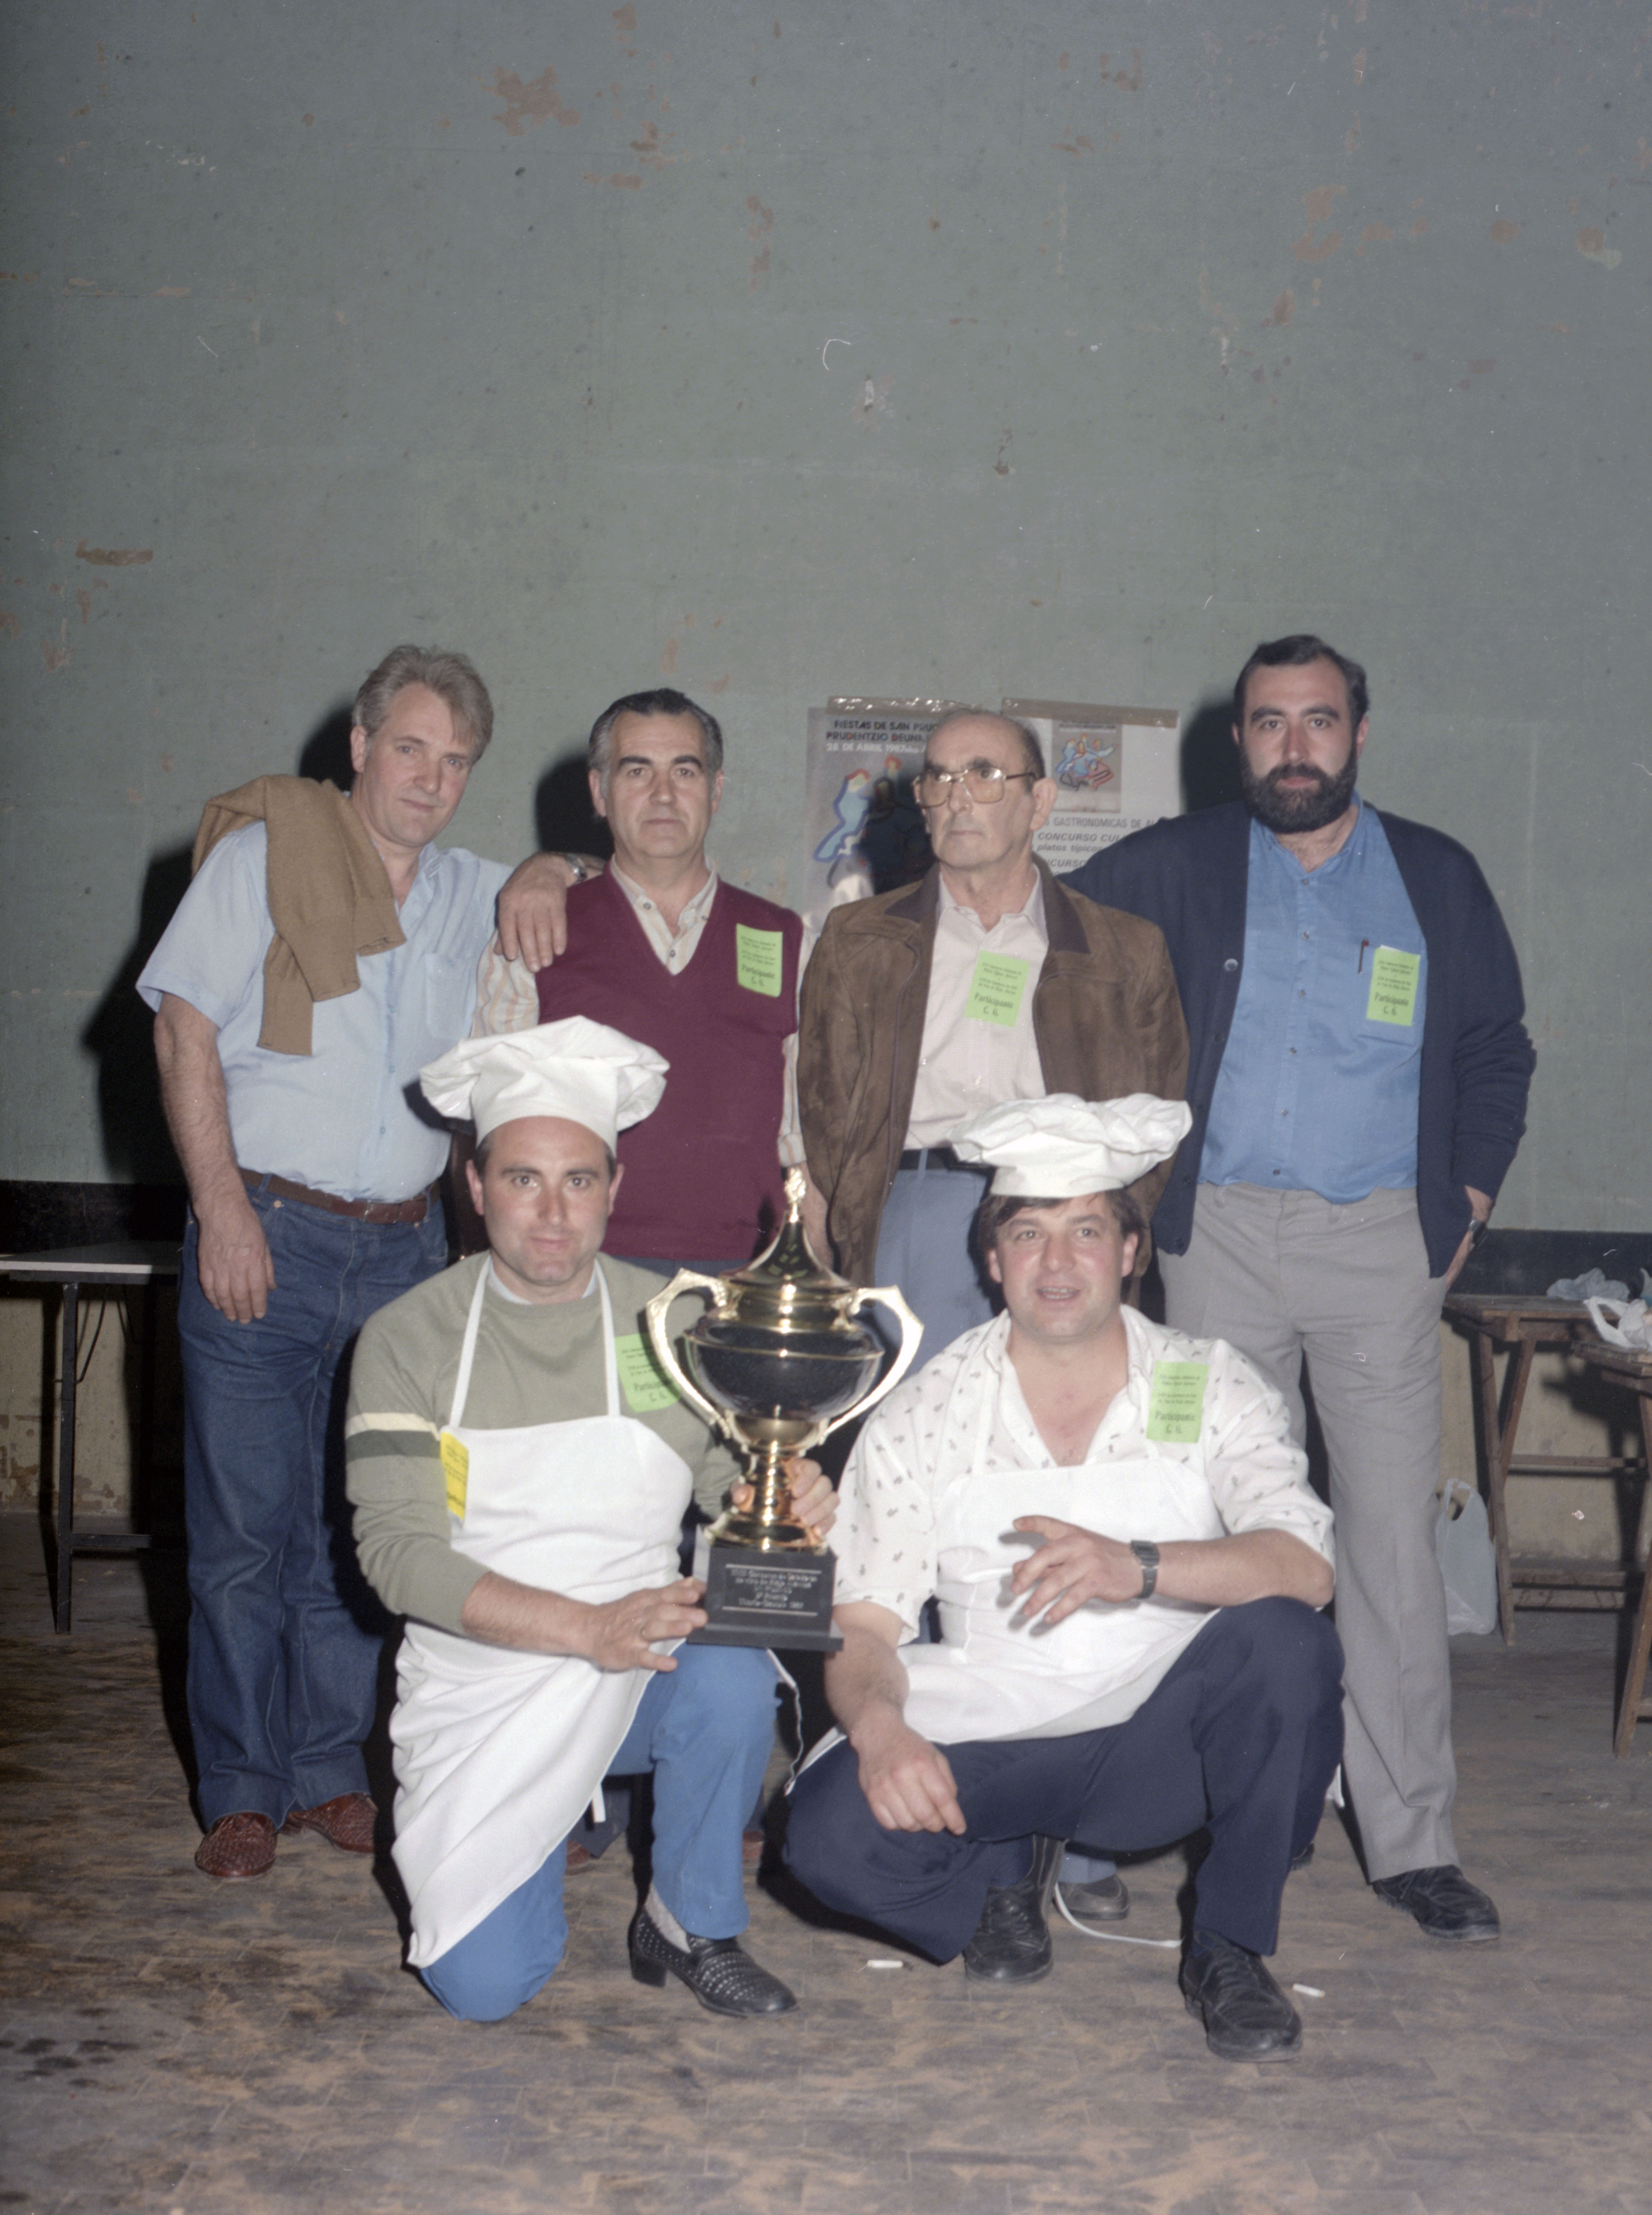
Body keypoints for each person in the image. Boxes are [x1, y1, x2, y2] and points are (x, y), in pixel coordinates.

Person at [1065, 634, 1536, 1945]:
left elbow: (1496, 1047)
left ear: (1358, 733)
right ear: (1239, 738)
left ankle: (1412, 1839)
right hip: (1216, 1239)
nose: (1293, 747)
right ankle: (1229, 1807)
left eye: (1317, 721)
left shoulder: (1435, 876)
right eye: (1268, 723)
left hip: (1379, 1242)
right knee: (1215, 1523)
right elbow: (1029, 921)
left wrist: (1467, 1200)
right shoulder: (1174, 863)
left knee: (1384, 1543)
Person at [782, 1094, 1342, 2062]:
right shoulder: (925, 1409)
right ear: (990, 1257)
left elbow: (1305, 1565)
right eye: (1027, 1233)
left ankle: (1228, 1946)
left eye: (1085, 1230)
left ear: (1129, 1250)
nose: (1055, 1262)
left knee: (1290, 1640)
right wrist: (878, 1732)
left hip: (1164, 1737)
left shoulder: (1207, 1377)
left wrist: (1140, 1566)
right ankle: (997, 1875)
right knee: (825, 1838)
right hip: (994, 1734)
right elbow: (865, 1623)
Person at [137, 645, 567, 1881]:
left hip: (403, 1253)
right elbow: (183, 1031)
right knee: (241, 1534)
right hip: (265, 1229)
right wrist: (222, 1208)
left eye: (456, 761)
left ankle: (331, 1769)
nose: (429, 778)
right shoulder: (261, 860)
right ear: (362, 747)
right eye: (410, 748)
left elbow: (586, 887)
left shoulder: (474, 892)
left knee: (360, 1525)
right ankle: (242, 1788)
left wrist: (552, 865)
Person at [344, 1020, 836, 2022]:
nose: (552, 1212)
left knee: (731, 1674)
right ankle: (530, 1846)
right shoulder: (407, 1338)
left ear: (614, 1185)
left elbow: (725, 1485)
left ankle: (689, 1918)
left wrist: (780, 1496)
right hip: (485, 1681)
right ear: (475, 1186)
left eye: (578, 1180)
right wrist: (585, 1628)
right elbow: (397, 1556)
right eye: (522, 1179)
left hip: (641, 1661)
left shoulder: (674, 1321)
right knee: (486, 1987)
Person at [796, 710, 1188, 1373]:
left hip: (1062, 1216)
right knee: (916, 1419)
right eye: (939, 778)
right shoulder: (857, 940)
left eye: (984, 775)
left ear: (1040, 802)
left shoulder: (1126, 949)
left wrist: (1095, 1222)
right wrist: (861, 1216)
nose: (958, 798)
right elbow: (825, 1106)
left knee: (1055, 1417)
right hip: (915, 1211)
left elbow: (1158, 1112)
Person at [474, 688, 807, 1274]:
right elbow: (497, 1127)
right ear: (599, 792)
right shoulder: (535, 928)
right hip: (585, 1266)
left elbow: (806, 1135)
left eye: (685, 771)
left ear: (716, 791)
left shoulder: (787, 938)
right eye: (637, 771)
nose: (663, 794)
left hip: (747, 1269)